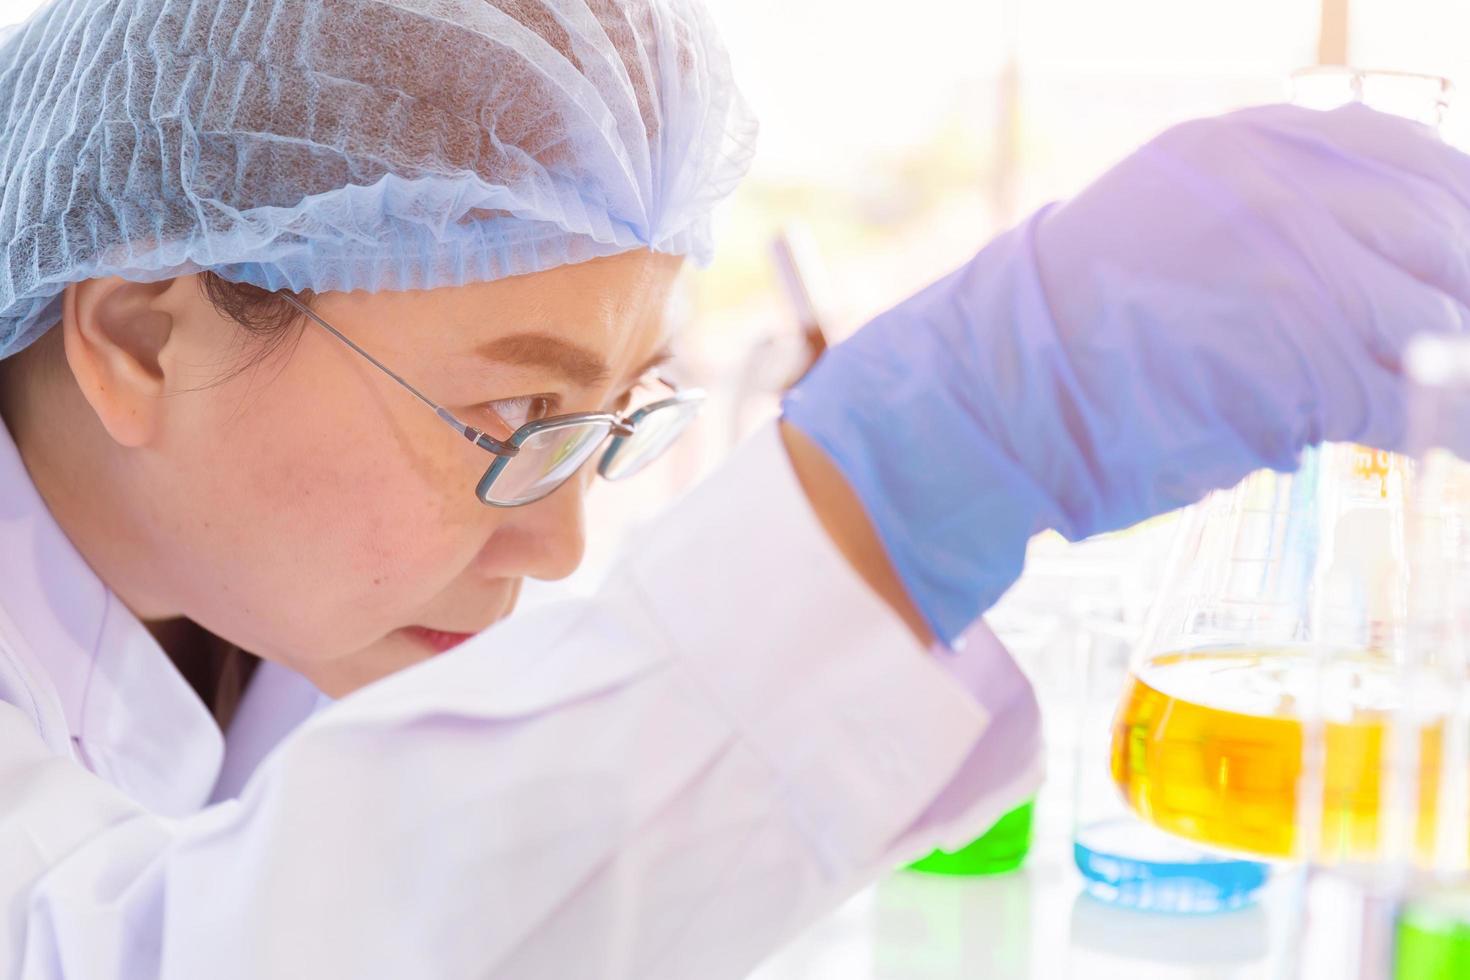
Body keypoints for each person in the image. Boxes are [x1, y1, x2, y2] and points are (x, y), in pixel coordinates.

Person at [0, 0, 1465, 974]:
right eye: (509, 415)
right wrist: (931, 464)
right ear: (141, 335)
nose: (564, 543)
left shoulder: (265, 594)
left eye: (610, 414)